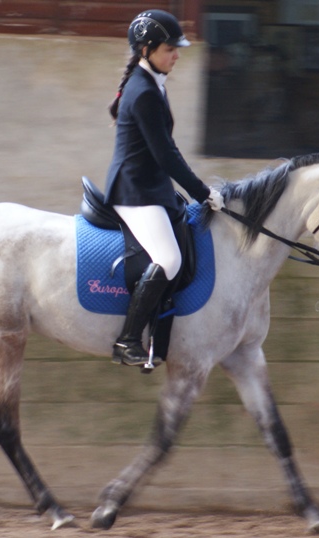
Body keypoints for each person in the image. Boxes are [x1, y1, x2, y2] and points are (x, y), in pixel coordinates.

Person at [104, 9, 224, 368]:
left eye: (177, 48)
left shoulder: (151, 82)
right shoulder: (143, 92)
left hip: (149, 186)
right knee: (168, 259)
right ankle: (126, 341)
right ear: (146, 50)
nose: (176, 55)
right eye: (170, 48)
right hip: (134, 191)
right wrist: (203, 192)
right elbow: (166, 155)